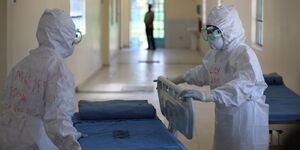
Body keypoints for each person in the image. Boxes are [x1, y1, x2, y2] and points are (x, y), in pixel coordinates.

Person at [170, 6, 269, 150]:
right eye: (207, 33)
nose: (210, 39)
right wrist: (179, 78)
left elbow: (245, 85)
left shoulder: (243, 53)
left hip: (244, 114)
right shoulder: (216, 54)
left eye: (213, 34)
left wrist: (208, 95)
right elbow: (205, 72)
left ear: (227, 31)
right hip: (225, 111)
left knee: (242, 145)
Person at [0, 9, 82, 150]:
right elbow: (57, 121)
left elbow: (7, 104)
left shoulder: (20, 66)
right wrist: (72, 146)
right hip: (37, 144)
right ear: (65, 36)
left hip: (6, 140)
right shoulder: (58, 70)